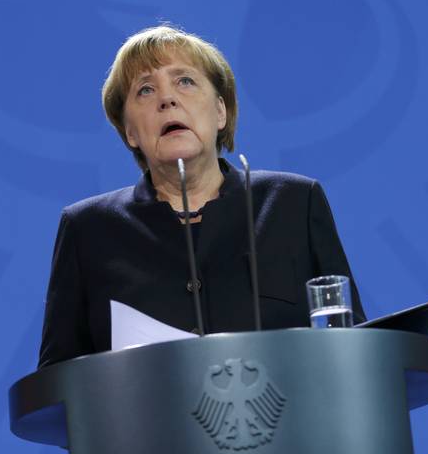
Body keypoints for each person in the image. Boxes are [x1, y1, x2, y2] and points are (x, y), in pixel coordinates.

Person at [37, 25, 365, 369]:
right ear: (130, 131)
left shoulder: (295, 203)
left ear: (220, 111)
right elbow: (58, 383)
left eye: (185, 81)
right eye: (146, 90)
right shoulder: (88, 230)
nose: (167, 99)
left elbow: (355, 347)